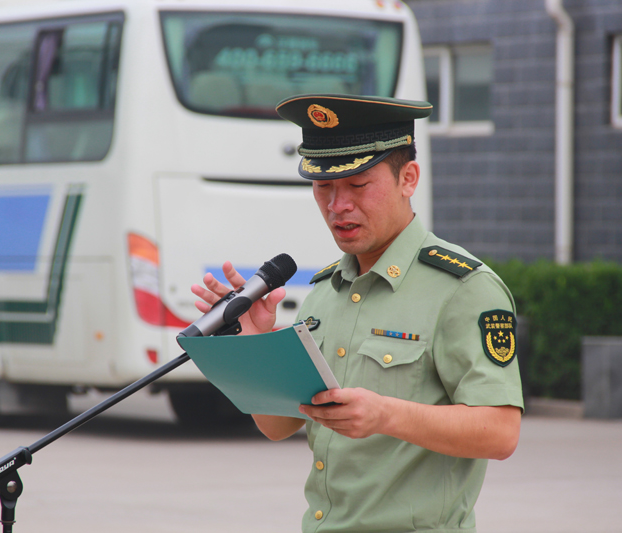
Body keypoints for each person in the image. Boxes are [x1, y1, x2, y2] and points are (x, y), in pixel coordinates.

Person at [191, 94, 524, 532]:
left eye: (358, 184)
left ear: (408, 178)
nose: (337, 205)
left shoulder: (463, 288)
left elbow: (500, 433)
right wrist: (253, 343)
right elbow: (277, 425)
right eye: (323, 186)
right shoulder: (324, 291)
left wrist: (387, 415)